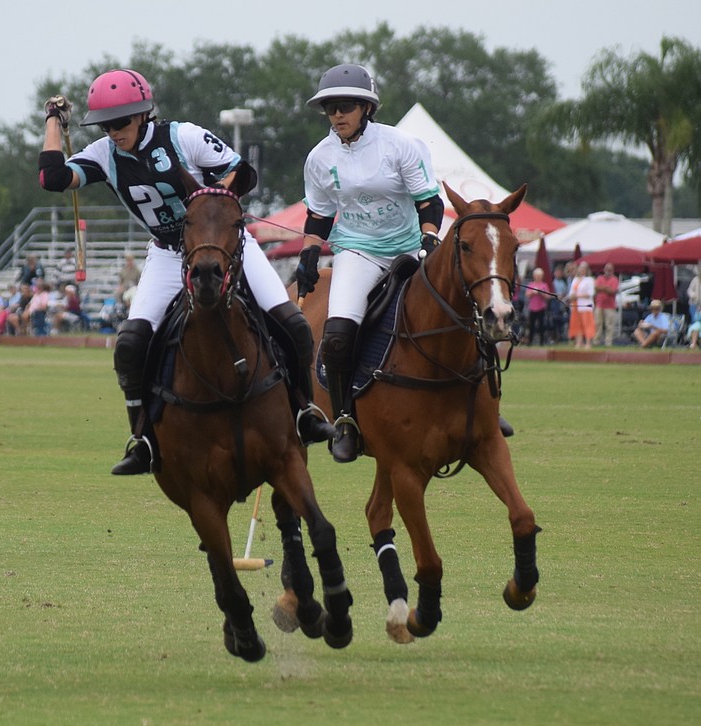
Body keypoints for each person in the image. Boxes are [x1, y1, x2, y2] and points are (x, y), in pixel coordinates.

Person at [39, 69, 334, 475]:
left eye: (121, 122)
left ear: (143, 114)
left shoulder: (184, 137)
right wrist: (54, 122)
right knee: (131, 342)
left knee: (294, 324)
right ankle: (142, 438)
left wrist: (209, 196)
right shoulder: (104, 155)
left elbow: (243, 172)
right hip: (168, 254)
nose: (114, 132)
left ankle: (305, 410)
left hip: (227, 247)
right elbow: (52, 177)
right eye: (106, 125)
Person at [297, 64, 447, 462]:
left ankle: (484, 406)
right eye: (330, 108)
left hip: (412, 248)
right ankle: (346, 420)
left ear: (366, 107)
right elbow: (319, 216)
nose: (337, 115)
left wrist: (430, 237)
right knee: (338, 334)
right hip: (358, 251)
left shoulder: (401, 145)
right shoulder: (319, 157)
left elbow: (429, 202)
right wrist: (310, 253)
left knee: (461, 313)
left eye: (345, 106)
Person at [566, 261, 595, 349]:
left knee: (587, 323)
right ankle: (579, 342)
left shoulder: (589, 280)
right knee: (577, 324)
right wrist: (571, 297)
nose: (581, 270)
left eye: (583, 269)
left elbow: (591, 293)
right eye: (580, 268)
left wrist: (578, 295)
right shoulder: (575, 279)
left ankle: (588, 343)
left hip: (586, 305)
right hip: (576, 305)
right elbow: (572, 292)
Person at [593, 262, 619, 346]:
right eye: (607, 269)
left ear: (613, 270)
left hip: (610, 306)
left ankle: (608, 343)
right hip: (599, 304)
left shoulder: (615, 279)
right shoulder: (600, 278)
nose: (608, 270)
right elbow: (596, 288)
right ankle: (596, 341)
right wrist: (606, 288)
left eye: (610, 269)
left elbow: (613, 291)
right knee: (597, 324)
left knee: (609, 325)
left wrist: (602, 288)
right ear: (604, 270)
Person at [524, 267, 551, 346]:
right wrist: (532, 292)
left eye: (539, 275)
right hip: (532, 307)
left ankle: (542, 341)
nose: (538, 277)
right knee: (531, 325)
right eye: (536, 275)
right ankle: (530, 341)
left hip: (541, 307)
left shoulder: (544, 285)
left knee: (541, 325)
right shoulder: (531, 284)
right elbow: (527, 295)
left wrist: (541, 293)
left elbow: (548, 297)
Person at [548, 263, 568, 343]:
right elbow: (549, 293)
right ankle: (553, 337)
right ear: (554, 273)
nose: (559, 274)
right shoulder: (552, 283)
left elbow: (565, 293)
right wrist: (556, 296)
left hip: (561, 304)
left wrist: (562, 296)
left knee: (561, 321)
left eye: (560, 273)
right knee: (553, 321)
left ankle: (560, 337)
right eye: (557, 272)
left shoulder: (563, 283)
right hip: (554, 303)